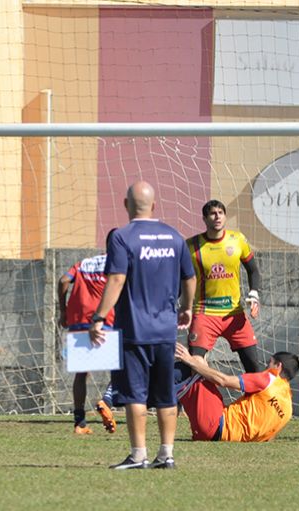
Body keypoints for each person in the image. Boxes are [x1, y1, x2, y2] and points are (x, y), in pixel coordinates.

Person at [89, 181, 196, 470]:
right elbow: (190, 277)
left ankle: (138, 455)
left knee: (134, 394)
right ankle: (167, 454)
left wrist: (99, 317)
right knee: (165, 394)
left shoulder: (122, 237)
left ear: (126, 205)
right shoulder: (175, 237)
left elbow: (116, 279)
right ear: (155, 206)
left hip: (134, 332)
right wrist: (186, 308)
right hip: (165, 331)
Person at [186, 200, 262, 372]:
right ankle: (199, 399)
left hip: (233, 313)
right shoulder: (191, 246)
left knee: (254, 367)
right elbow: (181, 279)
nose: (217, 216)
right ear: (204, 219)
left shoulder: (238, 240)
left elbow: (254, 270)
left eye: (221, 212)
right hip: (204, 314)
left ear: (225, 216)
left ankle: (256, 399)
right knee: (195, 367)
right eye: (213, 213)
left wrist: (254, 293)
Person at [57, 228, 118, 435]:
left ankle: (79, 422)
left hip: (78, 321)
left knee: (81, 374)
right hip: (103, 321)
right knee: (122, 369)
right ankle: (106, 401)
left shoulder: (84, 263)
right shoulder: (118, 265)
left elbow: (64, 280)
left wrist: (63, 311)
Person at [173, 343, 299, 442]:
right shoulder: (288, 410)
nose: (266, 367)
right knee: (196, 374)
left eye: (269, 363)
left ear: (278, 366)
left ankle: (157, 399)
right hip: (219, 435)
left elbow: (223, 380)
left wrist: (190, 359)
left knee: (194, 366)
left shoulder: (269, 379)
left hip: (215, 424)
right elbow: (267, 438)